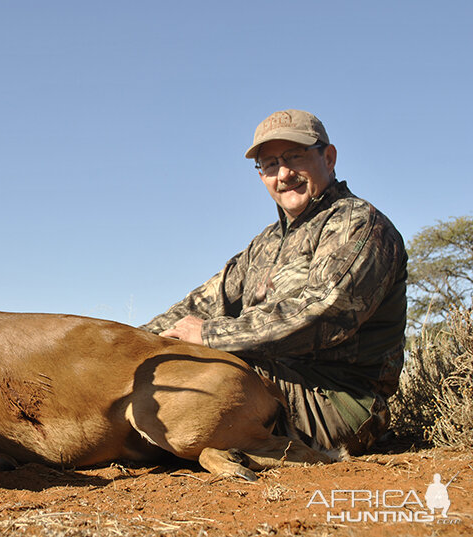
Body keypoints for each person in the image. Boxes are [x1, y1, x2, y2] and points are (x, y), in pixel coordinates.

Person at [140, 110, 407, 455]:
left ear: (329, 157)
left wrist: (209, 336)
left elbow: (323, 313)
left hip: (335, 404)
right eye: (269, 164)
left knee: (179, 386)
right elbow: (200, 305)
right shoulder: (265, 243)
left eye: (295, 156)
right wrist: (130, 345)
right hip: (273, 380)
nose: (283, 174)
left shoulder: (360, 224)